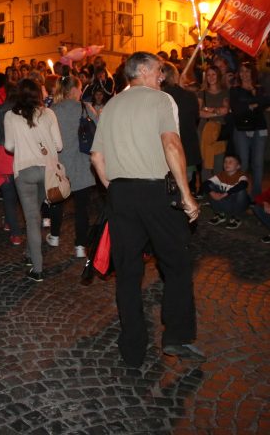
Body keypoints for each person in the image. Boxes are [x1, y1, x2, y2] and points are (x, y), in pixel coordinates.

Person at [90, 51, 204, 367]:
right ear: (141, 69)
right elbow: (172, 145)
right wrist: (187, 195)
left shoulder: (111, 105)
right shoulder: (161, 100)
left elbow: (97, 157)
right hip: (156, 194)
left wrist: (114, 188)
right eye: (158, 70)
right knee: (177, 264)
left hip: (121, 195)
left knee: (127, 273)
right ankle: (177, 335)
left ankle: (132, 348)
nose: (162, 76)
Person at [4, 78, 63, 282]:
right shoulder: (49, 114)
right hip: (47, 170)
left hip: (25, 171)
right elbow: (59, 145)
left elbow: (9, 146)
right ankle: (30, 253)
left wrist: (23, 144)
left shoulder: (10, 116)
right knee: (36, 214)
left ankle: (37, 268)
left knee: (32, 218)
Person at [49, 75, 97, 257]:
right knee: (82, 208)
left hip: (60, 164)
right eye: (80, 88)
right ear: (75, 90)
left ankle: (54, 235)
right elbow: (98, 131)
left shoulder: (52, 111)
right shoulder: (85, 108)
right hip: (82, 164)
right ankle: (80, 246)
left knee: (57, 201)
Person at [0, 82, 22, 245]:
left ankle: (15, 232)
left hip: (3, 155)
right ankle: (10, 223)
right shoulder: (23, 111)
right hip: (21, 154)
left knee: (8, 195)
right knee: (19, 194)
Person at [229, 62, 270, 198]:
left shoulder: (260, 89)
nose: (244, 74)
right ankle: (241, 193)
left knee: (258, 163)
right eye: (242, 71)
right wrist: (253, 104)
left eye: (247, 71)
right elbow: (237, 108)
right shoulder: (235, 90)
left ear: (252, 73)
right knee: (243, 162)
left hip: (259, 128)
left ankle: (256, 195)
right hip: (242, 128)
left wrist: (252, 101)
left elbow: (266, 102)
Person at [197, 65, 230, 183]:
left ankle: (218, 189)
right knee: (205, 161)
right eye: (208, 75)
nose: (211, 77)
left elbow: (226, 110)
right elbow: (199, 112)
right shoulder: (202, 93)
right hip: (204, 129)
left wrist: (208, 110)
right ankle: (206, 189)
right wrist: (216, 112)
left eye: (213, 74)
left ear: (218, 75)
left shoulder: (225, 92)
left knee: (218, 163)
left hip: (220, 131)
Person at [202, 154, 249, 229]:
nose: (227, 164)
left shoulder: (241, 175)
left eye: (230, 162)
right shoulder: (221, 175)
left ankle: (236, 217)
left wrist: (225, 194)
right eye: (225, 162)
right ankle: (220, 215)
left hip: (236, 204)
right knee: (210, 186)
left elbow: (243, 184)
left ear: (238, 166)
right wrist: (213, 194)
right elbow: (205, 183)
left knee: (241, 191)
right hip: (225, 203)